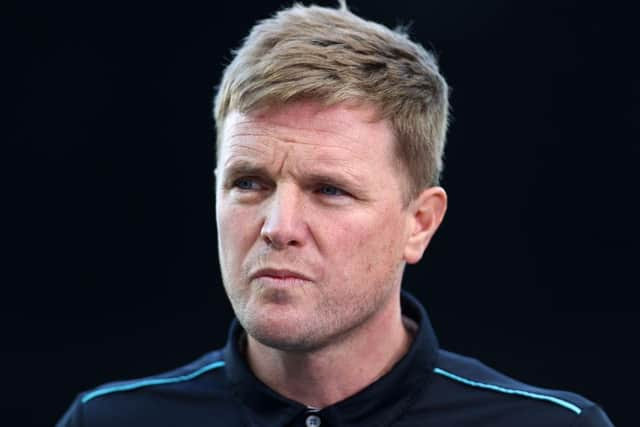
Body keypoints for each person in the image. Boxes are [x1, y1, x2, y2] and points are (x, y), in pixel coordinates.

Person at [57, 1, 614, 426]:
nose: (278, 227)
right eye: (249, 183)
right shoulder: (109, 419)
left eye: (329, 190)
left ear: (418, 223)